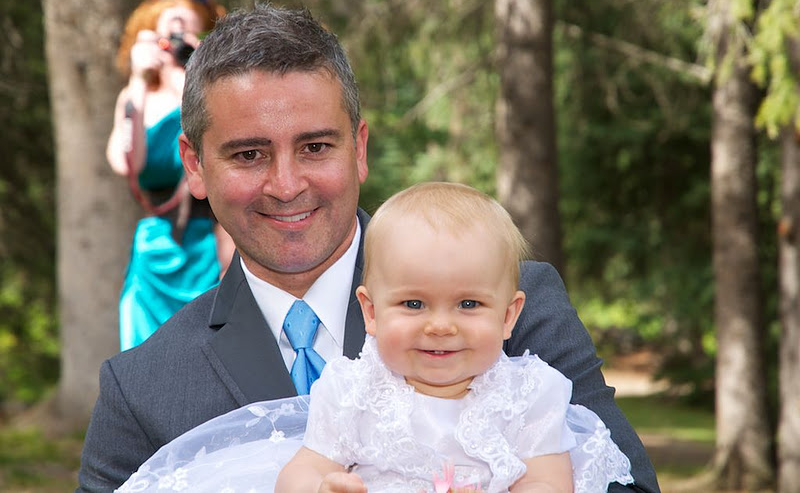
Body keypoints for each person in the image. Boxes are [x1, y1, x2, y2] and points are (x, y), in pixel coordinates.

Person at [77, 2, 660, 492]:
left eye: (315, 147)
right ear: (195, 165)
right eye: (249, 154)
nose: (287, 185)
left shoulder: (509, 304)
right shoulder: (142, 388)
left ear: (358, 150)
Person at [115, 182, 634, 492]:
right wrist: (321, 487)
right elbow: (303, 469)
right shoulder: (354, 390)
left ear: (509, 316)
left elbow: (549, 480)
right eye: (414, 305)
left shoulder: (530, 393)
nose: (440, 325)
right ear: (371, 311)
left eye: (469, 305)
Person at [106, 0, 234, 350]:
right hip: (157, 247)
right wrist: (138, 80)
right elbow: (125, 162)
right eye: (167, 33)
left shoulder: (212, 93)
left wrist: (198, 74)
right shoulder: (135, 98)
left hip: (213, 244)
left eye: (187, 30)